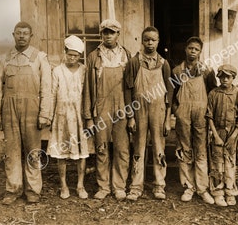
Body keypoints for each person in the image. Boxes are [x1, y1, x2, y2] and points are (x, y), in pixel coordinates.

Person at [0, 21, 51, 204]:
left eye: (25, 33)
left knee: (33, 150)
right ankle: (13, 189)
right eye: (18, 33)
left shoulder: (40, 57)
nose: (21, 36)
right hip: (9, 109)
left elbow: (47, 88)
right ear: (13, 35)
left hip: (32, 109)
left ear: (30, 36)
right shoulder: (5, 59)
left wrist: (44, 114)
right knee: (11, 152)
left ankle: (33, 190)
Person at [83, 19, 131, 201]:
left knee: (122, 148)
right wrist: (88, 116)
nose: (108, 36)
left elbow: (131, 86)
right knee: (101, 147)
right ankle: (103, 186)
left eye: (112, 32)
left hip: (122, 107)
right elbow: (88, 88)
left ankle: (119, 186)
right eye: (105, 32)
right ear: (101, 34)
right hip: (101, 107)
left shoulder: (126, 54)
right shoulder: (94, 56)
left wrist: (131, 113)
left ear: (118, 34)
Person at [124, 26, 173, 201]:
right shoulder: (134, 62)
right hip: (139, 110)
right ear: (142, 41)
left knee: (159, 147)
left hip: (159, 110)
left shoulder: (164, 64)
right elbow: (128, 91)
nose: (150, 43)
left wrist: (167, 119)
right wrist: (130, 116)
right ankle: (136, 187)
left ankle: (159, 186)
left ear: (158, 41)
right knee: (139, 146)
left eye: (153, 39)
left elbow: (169, 93)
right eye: (147, 39)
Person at [172, 37, 217, 205]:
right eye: (190, 48)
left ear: (200, 52)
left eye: (196, 49)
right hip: (183, 113)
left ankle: (202, 188)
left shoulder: (206, 71)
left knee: (201, 149)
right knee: (184, 148)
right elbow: (173, 93)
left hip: (201, 114)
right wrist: (176, 110)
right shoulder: (177, 71)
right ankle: (188, 187)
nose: (193, 51)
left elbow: (213, 93)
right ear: (185, 49)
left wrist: (210, 113)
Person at [47, 35, 89, 199]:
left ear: (80, 56)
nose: (72, 58)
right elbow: (52, 94)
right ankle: (64, 185)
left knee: (82, 152)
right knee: (61, 151)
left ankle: (80, 185)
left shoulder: (84, 70)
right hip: (62, 116)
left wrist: (87, 115)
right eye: (70, 54)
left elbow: (87, 93)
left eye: (76, 55)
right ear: (64, 52)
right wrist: (49, 117)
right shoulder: (57, 71)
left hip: (79, 116)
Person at [206, 64, 238, 206]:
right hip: (218, 132)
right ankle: (218, 192)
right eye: (222, 76)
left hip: (232, 133)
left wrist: (234, 135)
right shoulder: (213, 94)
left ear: (233, 78)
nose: (224, 79)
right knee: (217, 163)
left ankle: (230, 191)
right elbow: (209, 116)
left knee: (230, 163)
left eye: (228, 77)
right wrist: (215, 135)